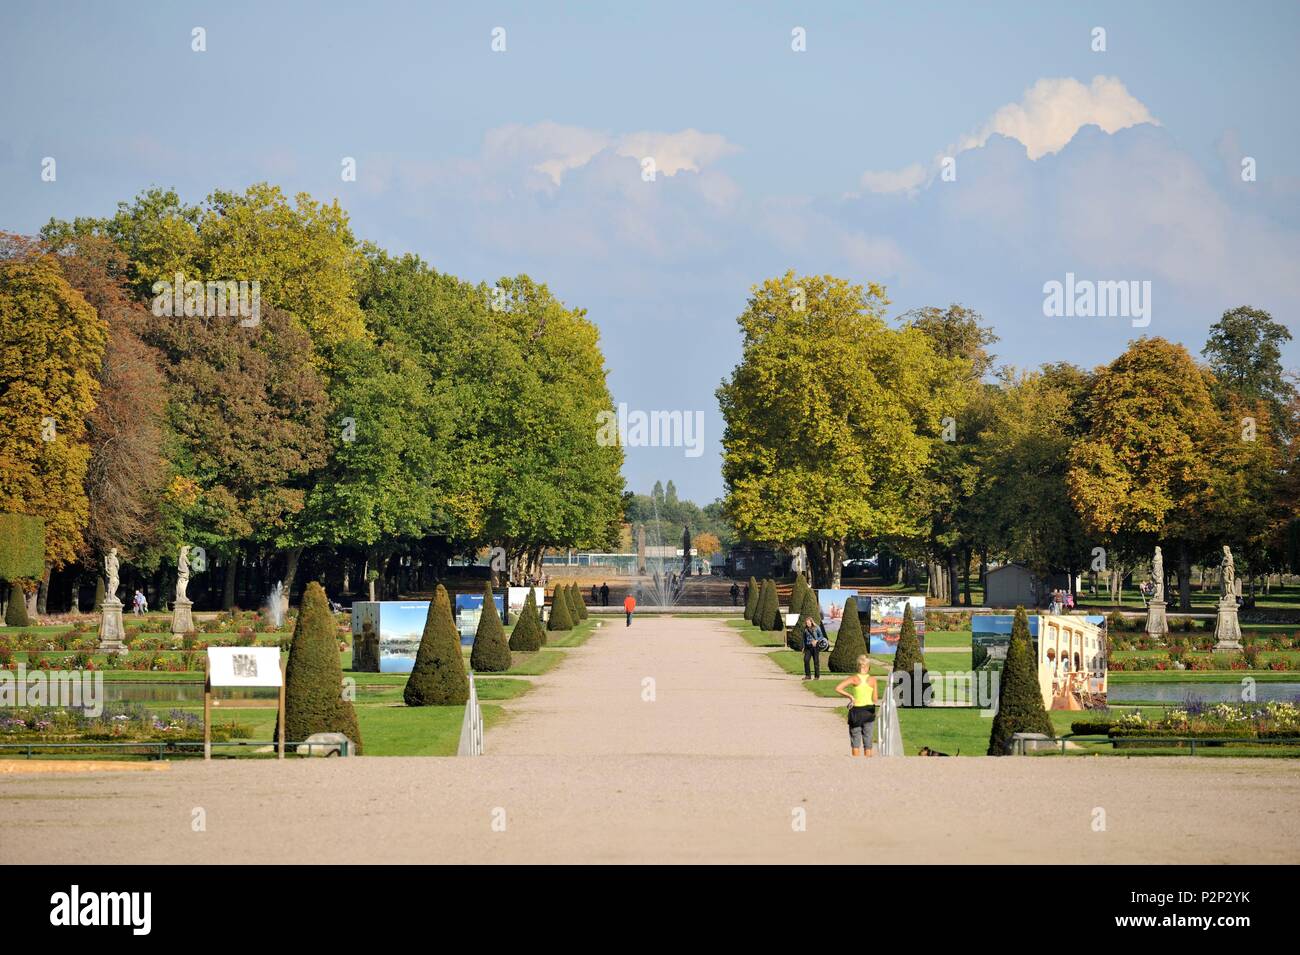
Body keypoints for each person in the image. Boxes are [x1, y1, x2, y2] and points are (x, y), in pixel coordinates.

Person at [835, 655, 878, 757]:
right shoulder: (873, 680)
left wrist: (850, 696)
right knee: (868, 740)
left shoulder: (854, 678)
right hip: (869, 711)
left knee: (855, 739)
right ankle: (869, 764)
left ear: (858, 667)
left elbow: (838, 688)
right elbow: (875, 699)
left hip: (857, 711)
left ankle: (856, 764)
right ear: (868, 667)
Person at [801, 616, 825, 680]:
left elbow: (821, 636)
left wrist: (816, 640)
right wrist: (803, 647)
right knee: (806, 660)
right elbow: (804, 639)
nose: (807, 624)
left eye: (808, 622)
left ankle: (817, 676)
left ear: (811, 622)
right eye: (806, 623)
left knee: (816, 661)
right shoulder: (805, 629)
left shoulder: (816, 628)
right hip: (808, 647)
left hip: (815, 647)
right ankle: (808, 675)